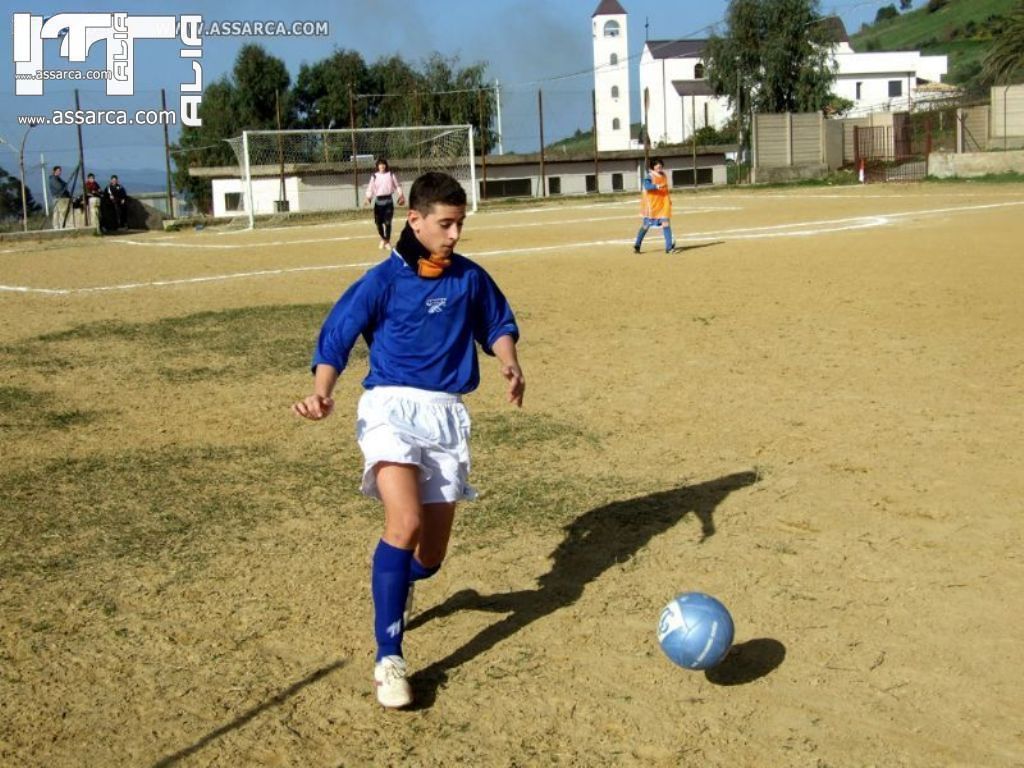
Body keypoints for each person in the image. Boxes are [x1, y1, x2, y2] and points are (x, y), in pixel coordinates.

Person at [292, 171, 525, 709]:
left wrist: (510, 363)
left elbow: (497, 323)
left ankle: (401, 581)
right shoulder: (382, 280)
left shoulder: (469, 278)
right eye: (445, 224)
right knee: (405, 522)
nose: (455, 235)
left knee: (432, 554)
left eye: (461, 224)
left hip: (446, 416)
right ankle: (388, 659)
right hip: (390, 409)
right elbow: (337, 335)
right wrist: (322, 392)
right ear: (414, 220)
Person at [633, 157, 676, 254]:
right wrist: (657, 186)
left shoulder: (664, 175)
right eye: (657, 165)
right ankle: (637, 244)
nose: (659, 166)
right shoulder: (650, 176)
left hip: (663, 204)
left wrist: (668, 200)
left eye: (660, 164)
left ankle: (669, 248)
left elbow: (666, 190)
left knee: (666, 223)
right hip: (651, 206)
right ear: (653, 167)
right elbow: (647, 186)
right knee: (646, 226)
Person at [364, 158, 405, 250]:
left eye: (383, 164)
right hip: (378, 203)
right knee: (378, 223)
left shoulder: (390, 174)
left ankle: (387, 241)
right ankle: (383, 238)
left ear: (386, 165)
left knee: (387, 223)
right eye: (380, 164)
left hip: (388, 202)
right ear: (377, 166)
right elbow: (370, 188)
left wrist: (401, 196)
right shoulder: (374, 176)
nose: (382, 166)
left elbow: (397, 186)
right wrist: (368, 198)